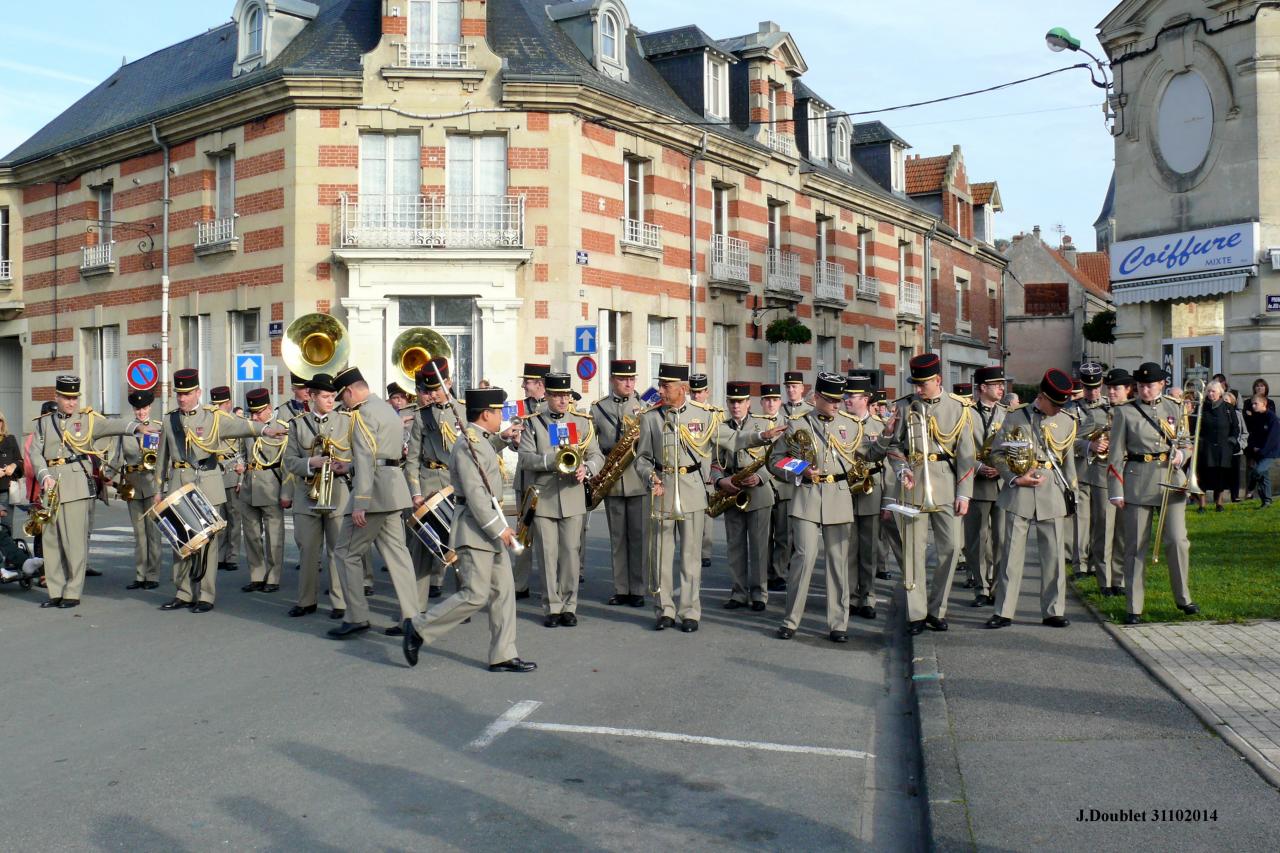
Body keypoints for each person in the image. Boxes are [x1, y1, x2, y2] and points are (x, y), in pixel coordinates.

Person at [633, 363, 781, 633]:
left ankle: (690, 611)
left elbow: (734, 439)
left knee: (691, 556)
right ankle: (664, 609)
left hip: (691, 489)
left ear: (683, 388)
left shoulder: (705, 416)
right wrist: (649, 476)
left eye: (667, 386)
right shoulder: (651, 418)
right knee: (661, 556)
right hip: (663, 489)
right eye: (661, 385)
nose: (661, 390)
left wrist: (762, 435)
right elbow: (642, 458)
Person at [403, 386, 536, 673]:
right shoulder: (467, 445)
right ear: (486, 413)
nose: (502, 416)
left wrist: (502, 439)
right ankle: (418, 627)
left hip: (490, 524)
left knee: (504, 591)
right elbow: (475, 495)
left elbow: (486, 454)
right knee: (475, 594)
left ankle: (503, 653)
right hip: (476, 529)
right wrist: (499, 528)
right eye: (498, 411)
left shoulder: (479, 440)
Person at [155, 369, 280, 613]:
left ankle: (206, 594)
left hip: (207, 483)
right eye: (179, 393)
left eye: (187, 393)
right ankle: (183, 592)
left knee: (208, 544)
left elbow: (241, 426)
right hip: (179, 483)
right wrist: (158, 488)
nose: (182, 398)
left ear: (198, 393)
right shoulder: (170, 420)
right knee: (182, 542)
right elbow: (162, 458)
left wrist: (264, 430)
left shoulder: (213, 417)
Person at [31, 375, 155, 609]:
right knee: (51, 540)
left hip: (76, 483)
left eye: (74, 398)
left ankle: (72, 591)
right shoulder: (43, 423)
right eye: (66, 398)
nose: (71, 402)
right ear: (56, 397)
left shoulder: (87, 421)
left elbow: (112, 425)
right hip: (51, 485)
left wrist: (136, 427)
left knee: (75, 541)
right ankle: (55, 590)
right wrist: (43, 475)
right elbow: (35, 453)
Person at [884, 353, 976, 636]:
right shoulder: (904, 406)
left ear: (938, 380)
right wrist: (901, 471)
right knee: (913, 553)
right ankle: (916, 614)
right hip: (913, 489)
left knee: (950, 549)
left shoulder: (959, 408)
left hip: (947, 487)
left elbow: (966, 454)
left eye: (923, 384)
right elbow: (894, 448)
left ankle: (938, 609)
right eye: (915, 383)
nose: (918, 389)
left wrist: (965, 494)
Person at [326, 367, 421, 639]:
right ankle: (411, 616)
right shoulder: (385, 409)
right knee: (398, 555)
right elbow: (382, 454)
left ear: (350, 391)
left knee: (345, 553)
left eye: (342, 398)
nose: (342, 404)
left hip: (373, 493)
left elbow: (368, 458)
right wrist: (351, 465)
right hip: (393, 489)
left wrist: (360, 502)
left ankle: (356, 616)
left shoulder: (363, 414)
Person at [771, 373, 866, 642]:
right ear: (817, 398)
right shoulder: (797, 425)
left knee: (838, 563)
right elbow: (776, 460)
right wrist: (800, 469)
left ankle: (838, 624)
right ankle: (791, 620)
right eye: (832, 399)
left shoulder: (850, 425)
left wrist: (887, 442)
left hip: (837, 495)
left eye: (840, 399)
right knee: (803, 558)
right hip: (807, 496)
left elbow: (866, 454)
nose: (838, 404)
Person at [985, 369, 1079, 629]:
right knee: (1011, 555)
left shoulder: (1068, 421)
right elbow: (997, 455)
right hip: (1020, 491)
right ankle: (1003, 611)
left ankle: (1053, 610)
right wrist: (1014, 479)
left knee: (1054, 557)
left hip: (1052, 491)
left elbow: (1069, 463)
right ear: (1042, 397)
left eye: (1063, 404)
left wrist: (1072, 495)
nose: (1059, 409)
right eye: (1055, 404)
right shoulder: (1016, 417)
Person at [1107, 361, 1199, 625]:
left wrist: (1183, 453)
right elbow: (1115, 455)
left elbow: (1186, 442)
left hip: (1172, 481)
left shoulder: (1176, 407)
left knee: (1178, 541)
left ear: (1161, 384)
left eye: (1150, 385)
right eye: (1141, 386)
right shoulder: (1125, 412)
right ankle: (1134, 607)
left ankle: (1184, 598)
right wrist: (1116, 490)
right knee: (1136, 546)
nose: (1145, 390)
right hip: (1138, 481)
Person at [519, 372, 604, 626]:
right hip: (544, 496)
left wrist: (586, 468)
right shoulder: (533, 423)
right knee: (547, 554)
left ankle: (570, 605)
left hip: (572, 495)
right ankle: (551, 606)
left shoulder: (581, 422)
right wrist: (549, 461)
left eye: (566, 395)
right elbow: (525, 458)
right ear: (546, 395)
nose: (563, 400)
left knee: (570, 552)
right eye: (557, 395)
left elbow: (597, 455)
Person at [281, 373, 352, 619]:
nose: (331, 400)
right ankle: (306, 600)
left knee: (337, 550)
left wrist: (344, 464)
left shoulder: (346, 421)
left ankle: (340, 602)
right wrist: (311, 462)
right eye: (325, 396)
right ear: (311, 397)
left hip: (337, 494)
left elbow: (357, 455)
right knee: (308, 550)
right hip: (306, 495)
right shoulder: (297, 424)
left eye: (333, 396)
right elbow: (289, 461)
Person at [590, 359, 649, 607]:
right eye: (623, 379)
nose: (628, 383)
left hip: (637, 478)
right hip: (611, 479)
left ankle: (638, 589)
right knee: (618, 538)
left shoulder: (645, 407)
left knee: (639, 537)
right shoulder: (597, 408)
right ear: (613, 380)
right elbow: (589, 442)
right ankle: (621, 588)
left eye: (632, 379)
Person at [714, 382, 774, 612]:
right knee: (735, 546)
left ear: (749, 403)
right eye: (732, 402)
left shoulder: (765, 425)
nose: (736, 406)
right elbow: (713, 460)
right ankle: (738, 592)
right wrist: (721, 480)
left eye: (740, 402)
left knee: (759, 547)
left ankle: (760, 593)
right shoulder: (720, 428)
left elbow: (781, 458)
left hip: (759, 492)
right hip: (732, 492)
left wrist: (761, 476)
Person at [841, 372, 892, 620]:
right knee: (848, 549)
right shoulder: (839, 424)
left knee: (869, 549)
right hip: (845, 491)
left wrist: (889, 500)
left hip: (872, 491)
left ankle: (868, 596)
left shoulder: (880, 427)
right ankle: (849, 597)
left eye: (852, 396)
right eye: (846, 395)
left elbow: (891, 468)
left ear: (866, 399)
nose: (847, 400)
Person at [963, 365, 1008, 607]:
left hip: (1002, 484)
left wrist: (1003, 468)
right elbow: (958, 447)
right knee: (976, 540)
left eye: (1002, 384)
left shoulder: (1007, 413)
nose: (1002, 388)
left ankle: (997, 587)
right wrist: (978, 467)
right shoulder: (966, 413)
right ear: (982, 388)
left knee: (1002, 539)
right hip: (976, 483)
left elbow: (1016, 445)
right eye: (997, 384)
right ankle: (980, 587)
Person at [237, 389, 290, 594]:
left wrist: (286, 492)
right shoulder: (249, 428)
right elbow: (242, 453)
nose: (255, 417)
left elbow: (288, 465)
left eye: (259, 412)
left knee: (274, 535)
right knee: (251, 534)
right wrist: (240, 475)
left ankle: (274, 577)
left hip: (271, 487)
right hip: (250, 486)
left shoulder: (282, 429)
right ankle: (257, 575)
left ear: (269, 409)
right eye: (252, 413)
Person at [110, 390, 163, 591]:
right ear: (133, 409)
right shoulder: (127, 430)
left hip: (152, 485)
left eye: (144, 408)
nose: (141, 412)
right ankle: (140, 575)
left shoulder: (158, 428)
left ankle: (153, 575)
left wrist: (163, 485)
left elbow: (164, 459)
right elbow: (117, 457)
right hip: (132, 485)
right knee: (139, 534)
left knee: (153, 533)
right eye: (137, 408)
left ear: (150, 407)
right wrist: (108, 475)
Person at [510, 363, 549, 598]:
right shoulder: (517, 407)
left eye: (528, 382)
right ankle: (519, 584)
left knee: (547, 537)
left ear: (540, 384)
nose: (523, 385)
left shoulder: (554, 408)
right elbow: (508, 438)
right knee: (523, 533)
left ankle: (550, 586)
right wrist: (513, 441)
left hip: (547, 482)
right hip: (524, 479)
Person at [1094, 369, 1134, 596]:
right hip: (1104, 477)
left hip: (1131, 477)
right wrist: (1091, 445)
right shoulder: (1098, 412)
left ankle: (1119, 579)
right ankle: (1104, 580)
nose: (1110, 392)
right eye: (1108, 388)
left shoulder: (1136, 411)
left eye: (1116, 388)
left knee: (1123, 533)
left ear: (1128, 389)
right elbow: (1076, 439)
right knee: (1104, 530)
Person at [1069, 362, 1107, 576]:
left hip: (1103, 472)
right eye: (1088, 388)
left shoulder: (1110, 408)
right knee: (1081, 521)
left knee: (1102, 520)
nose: (1092, 392)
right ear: (1082, 386)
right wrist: (1088, 445)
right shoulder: (1071, 409)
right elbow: (1064, 441)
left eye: (1096, 387)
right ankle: (1080, 564)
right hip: (1081, 471)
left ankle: (1096, 562)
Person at [759, 383, 793, 591]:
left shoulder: (791, 425)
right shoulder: (754, 425)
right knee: (762, 535)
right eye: (767, 400)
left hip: (784, 484)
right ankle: (762, 573)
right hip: (760, 486)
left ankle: (779, 572)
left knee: (783, 534)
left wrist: (778, 469)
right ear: (761, 402)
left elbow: (795, 456)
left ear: (780, 402)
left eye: (775, 400)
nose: (771, 404)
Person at [209, 386, 244, 574]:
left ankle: (232, 556)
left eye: (220, 405)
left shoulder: (237, 422)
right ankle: (220, 555)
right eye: (215, 405)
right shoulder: (210, 422)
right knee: (218, 518)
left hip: (232, 472)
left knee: (234, 517)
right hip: (215, 471)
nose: (217, 409)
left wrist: (242, 477)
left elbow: (245, 452)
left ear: (228, 404)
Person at [1192, 380, 1239, 513]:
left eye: (1213, 391)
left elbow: (1235, 427)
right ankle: (1202, 505)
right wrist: (1199, 442)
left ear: (1220, 393)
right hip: (1205, 448)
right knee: (1203, 476)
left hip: (1223, 448)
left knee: (1221, 476)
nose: (1210, 394)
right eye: (1209, 391)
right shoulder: (1201, 407)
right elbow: (1194, 426)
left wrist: (1231, 441)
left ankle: (1219, 503)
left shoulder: (1228, 408)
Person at [688, 373, 719, 568]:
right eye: (693, 392)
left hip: (706, 472)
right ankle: (690, 549)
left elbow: (718, 446)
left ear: (706, 392)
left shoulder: (714, 414)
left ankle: (705, 551)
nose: (696, 396)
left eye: (700, 392)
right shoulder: (685, 413)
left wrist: (715, 471)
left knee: (707, 516)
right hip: (690, 473)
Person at [1246, 395, 1279, 508]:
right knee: (1264, 477)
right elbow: (1253, 435)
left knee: (1258, 471)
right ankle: (1266, 501)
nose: (1253, 406)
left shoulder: (1272, 418)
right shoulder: (1256, 417)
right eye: (1252, 404)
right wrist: (1253, 447)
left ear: (1264, 404)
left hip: (1269, 452)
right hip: (1258, 451)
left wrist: (1262, 450)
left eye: (1256, 404)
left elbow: (1272, 438)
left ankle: (1250, 486)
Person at [0, 409, 23, 535]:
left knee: (6, 526)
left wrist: (13, 466)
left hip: (6, 490)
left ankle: (8, 554)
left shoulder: (10, 439)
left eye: (0, 420)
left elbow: (20, 461)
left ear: (3, 423)